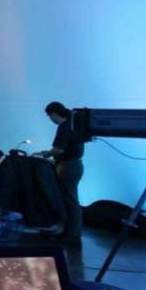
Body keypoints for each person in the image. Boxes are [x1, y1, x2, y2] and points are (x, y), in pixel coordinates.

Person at [37, 101, 86, 248]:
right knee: (70, 199)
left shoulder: (64, 127)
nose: (51, 120)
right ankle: (70, 232)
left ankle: (73, 236)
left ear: (54, 114)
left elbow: (59, 149)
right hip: (75, 165)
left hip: (67, 167)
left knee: (70, 201)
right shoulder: (74, 124)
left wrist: (44, 154)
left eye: (50, 116)